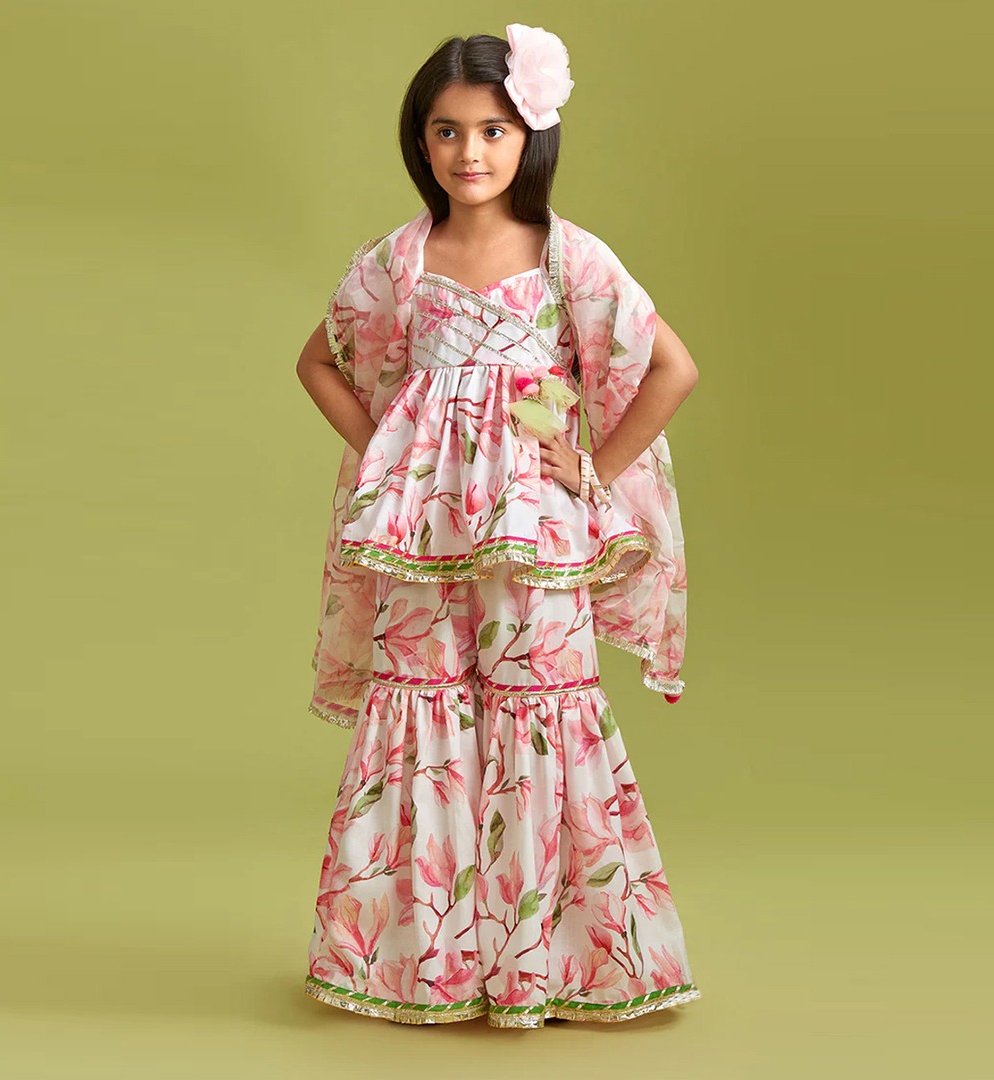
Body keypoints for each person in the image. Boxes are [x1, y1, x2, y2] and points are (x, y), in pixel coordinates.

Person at [295, 23, 701, 1029]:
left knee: (539, 709)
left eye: (492, 130)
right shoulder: (400, 260)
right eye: (446, 130)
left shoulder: (569, 258)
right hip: (422, 537)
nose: (468, 152)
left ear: (532, 136)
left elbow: (671, 368)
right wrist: (389, 453)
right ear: (419, 141)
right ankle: (419, 967)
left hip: (535, 535)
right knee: (422, 720)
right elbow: (319, 360)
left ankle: (551, 967)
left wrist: (593, 471)